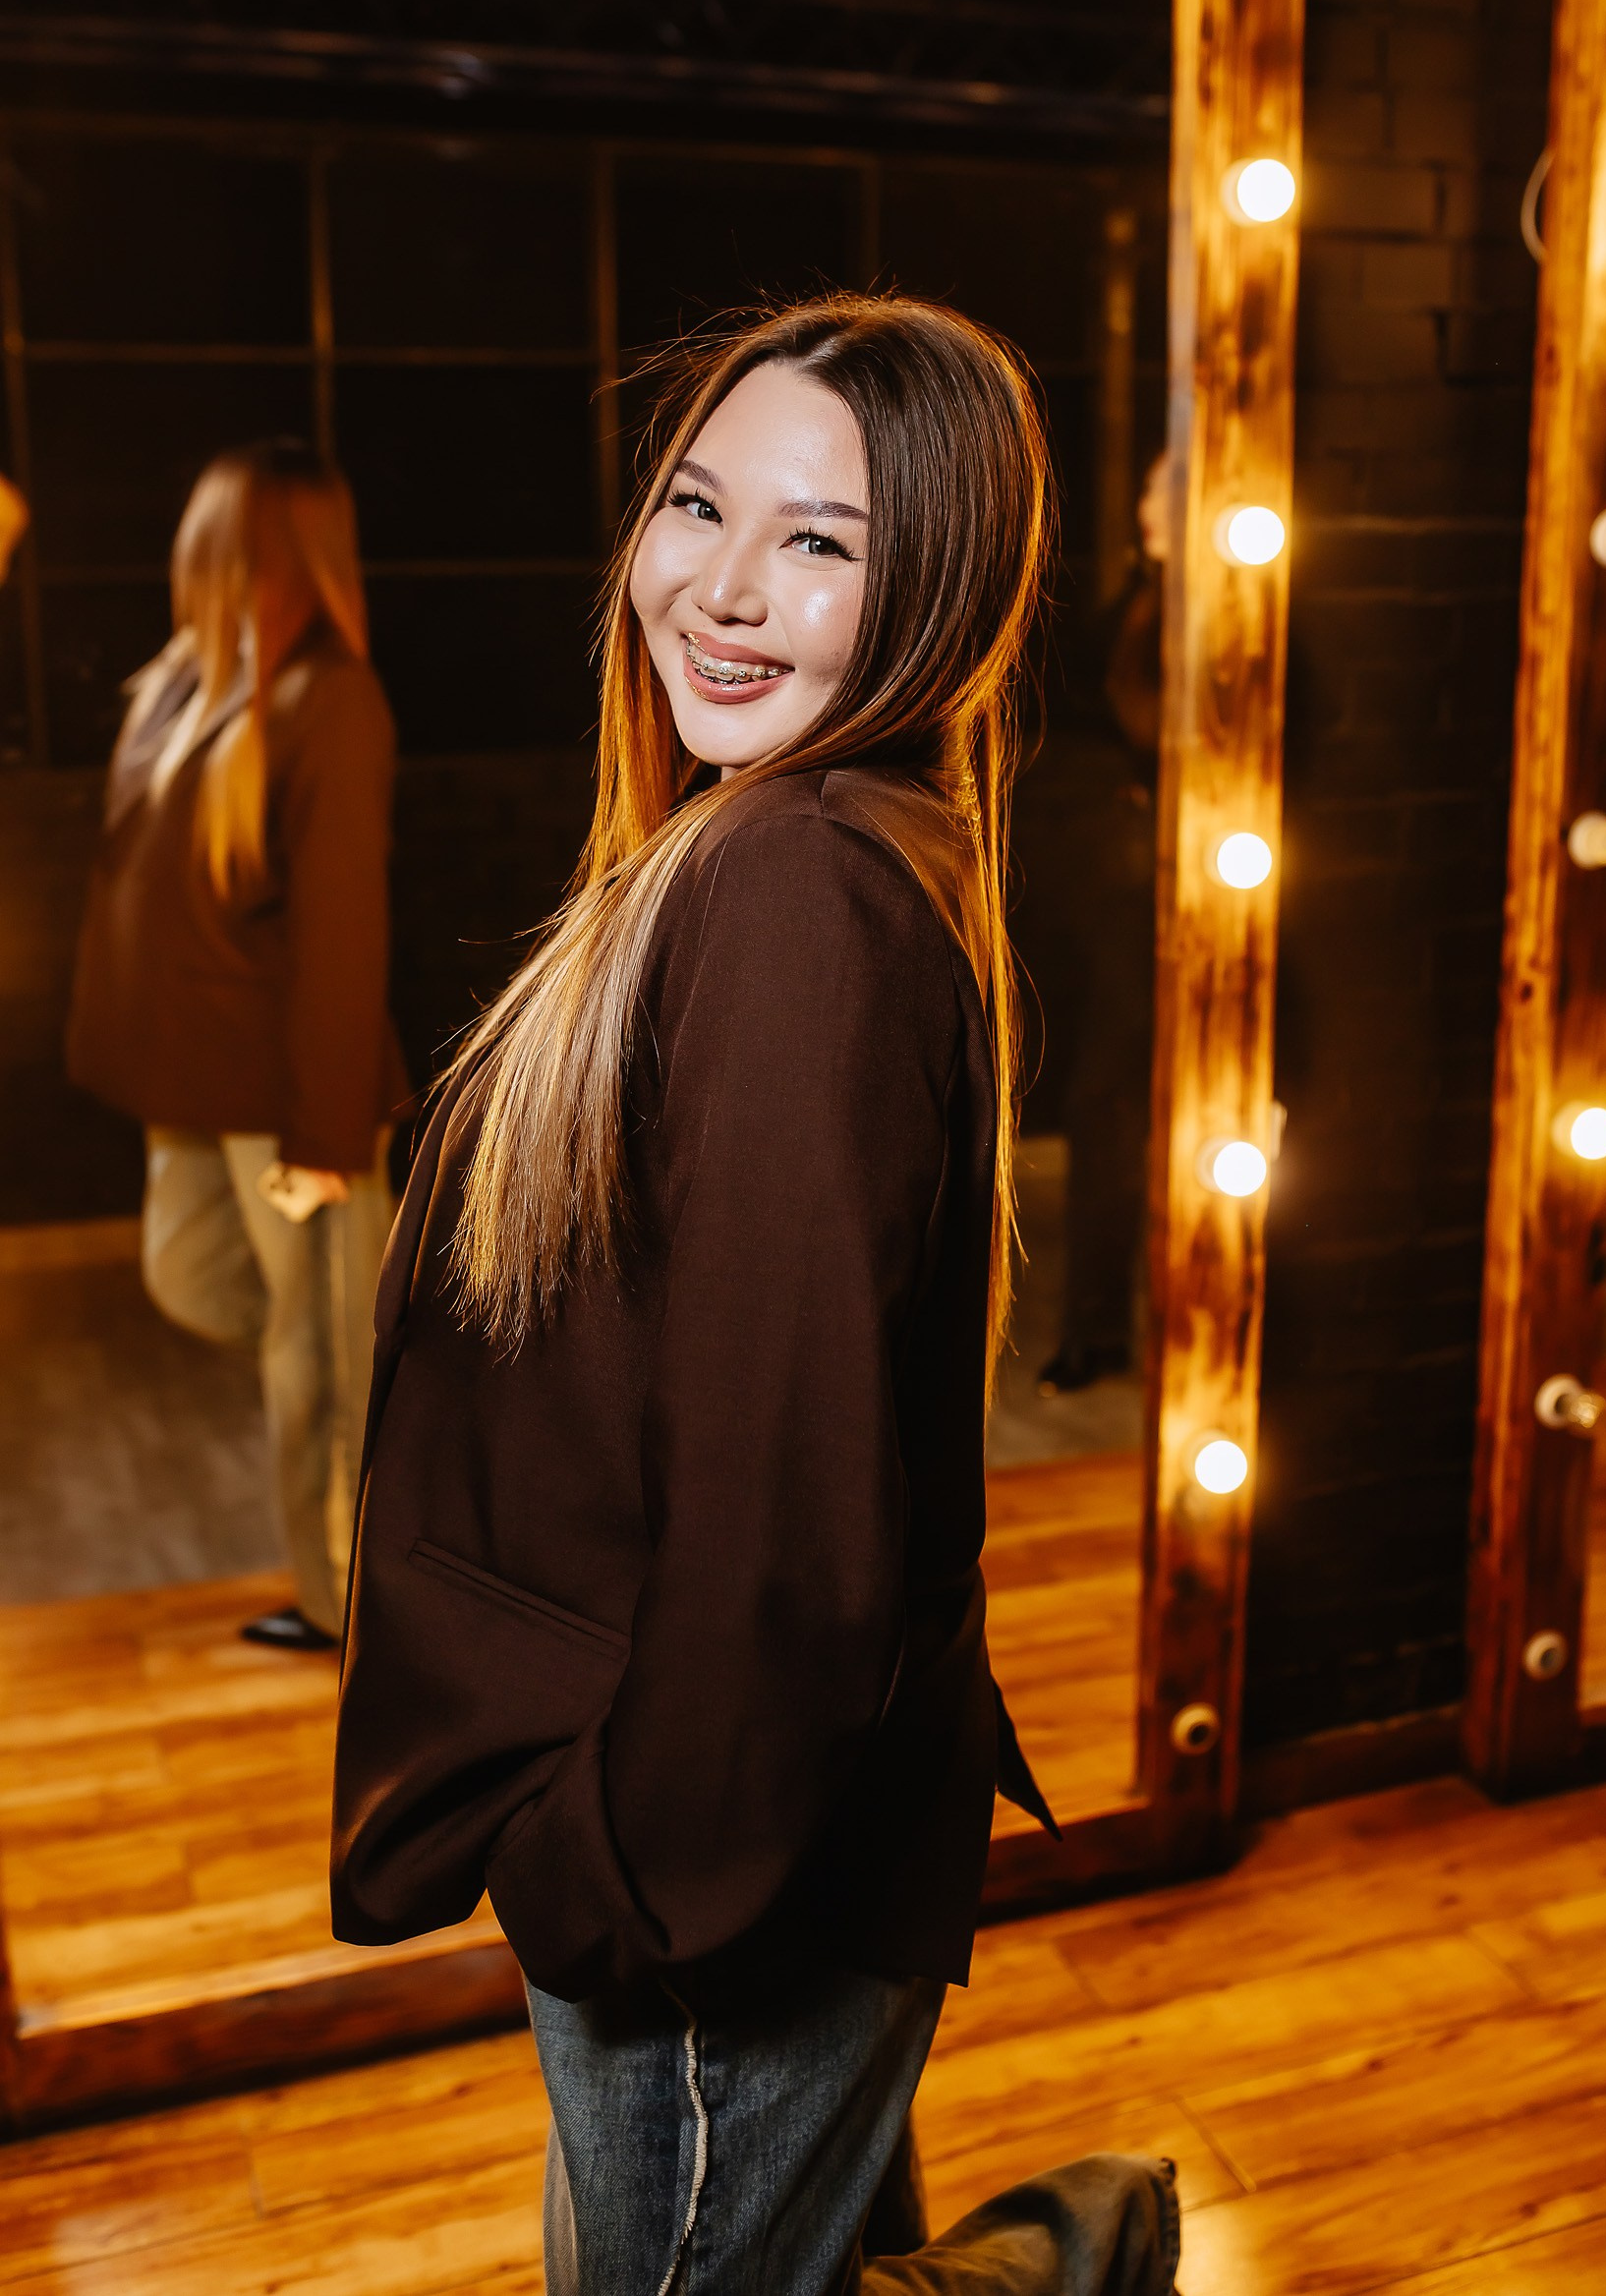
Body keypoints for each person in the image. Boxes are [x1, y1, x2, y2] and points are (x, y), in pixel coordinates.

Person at [331, 299, 1178, 2294]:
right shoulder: (751, 842)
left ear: (933, 593)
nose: (719, 587)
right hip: (716, 1828)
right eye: (698, 505)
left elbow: (788, 1510)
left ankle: (1067, 2253)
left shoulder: (796, 887)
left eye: (818, 542)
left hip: (707, 1870)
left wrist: (630, 1883)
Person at [67, 440, 408, 1650]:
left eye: (209, 532)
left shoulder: (329, 700)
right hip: (201, 1079)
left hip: (293, 1098)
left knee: (327, 1365)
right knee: (207, 1284)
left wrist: (325, 1136)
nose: (187, 550)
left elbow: (342, 936)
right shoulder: (184, 683)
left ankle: (351, 1612)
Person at [1037, 449, 1167, 1399]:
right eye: (1149, 481)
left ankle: (1108, 1325)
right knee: (1105, 1100)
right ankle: (1099, 1326)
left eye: (1166, 484)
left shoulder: (1207, 606)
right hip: (1122, 874)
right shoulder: (1144, 596)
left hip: (1180, 874)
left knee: (1117, 1097)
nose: (1147, 497)